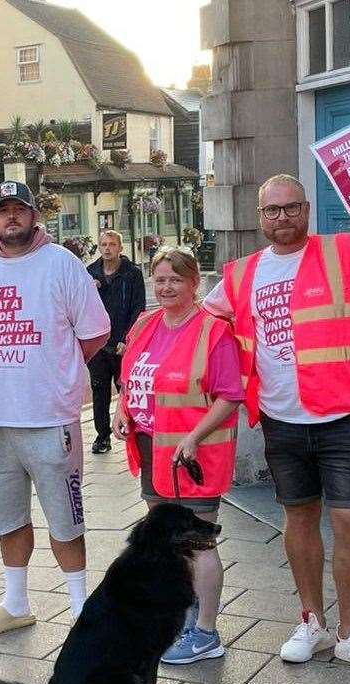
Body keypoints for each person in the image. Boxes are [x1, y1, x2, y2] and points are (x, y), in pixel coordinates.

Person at [202, 151, 350, 676]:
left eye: (290, 208)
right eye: (271, 210)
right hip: (283, 420)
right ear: (260, 217)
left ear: (307, 210)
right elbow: (200, 328)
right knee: (299, 519)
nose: (281, 218)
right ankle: (310, 621)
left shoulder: (345, 252)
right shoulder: (240, 276)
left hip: (343, 416)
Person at [0, 181, 111, 636]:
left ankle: (80, 608)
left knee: (65, 517)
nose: (12, 217)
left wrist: (56, 372)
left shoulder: (61, 264)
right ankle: (16, 603)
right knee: (7, 517)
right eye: (3, 211)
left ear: (34, 215)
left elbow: (95, 332)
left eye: (20, 209)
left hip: (48, 417)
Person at [114, 247, 243, 663]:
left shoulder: (213, 330)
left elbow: (229, 396)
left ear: (194, 284)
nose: (167, 287)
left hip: (194, 455)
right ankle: (184, 616)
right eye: (161, 279)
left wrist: (194, 435)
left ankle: (205, 632)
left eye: (176, 280)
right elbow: (131, 372)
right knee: (169, 542)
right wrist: (122, 410)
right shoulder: (146, 323)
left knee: (199, 542)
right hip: (153, 447)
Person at [86, 229, 146, 454]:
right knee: (99, 389)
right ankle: (102, 436)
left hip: (123, 344)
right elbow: (83, 308)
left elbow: (137, 308)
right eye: (103, 244)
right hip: (99, 345)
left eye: (112, 244)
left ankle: (132, 430)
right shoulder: (90, 272)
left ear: (121, 248)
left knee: (127, 388)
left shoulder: (132, 273)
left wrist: (127, 338)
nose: (107, 248)